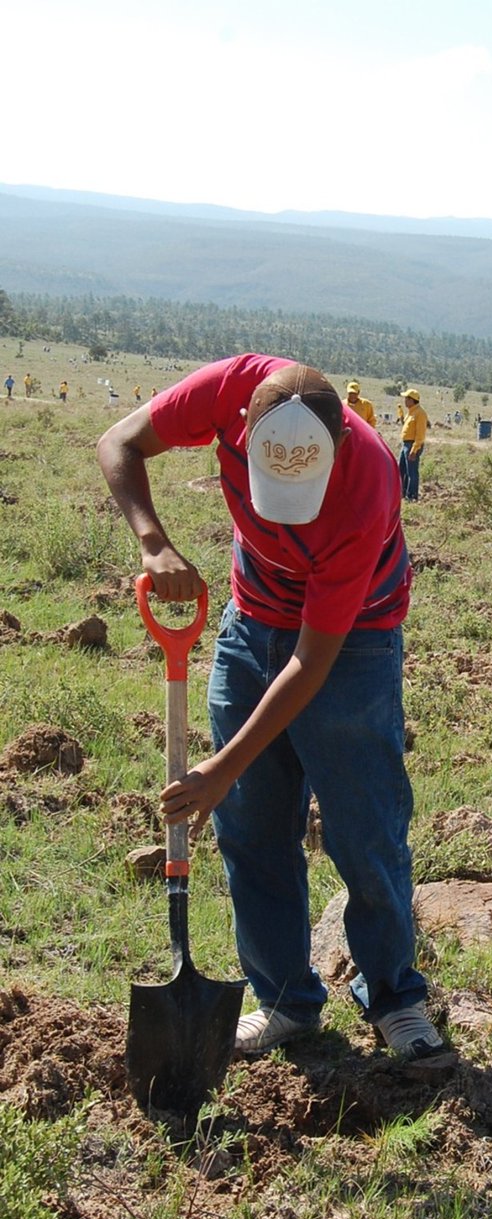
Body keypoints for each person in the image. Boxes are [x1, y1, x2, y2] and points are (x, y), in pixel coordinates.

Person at [96, 355, 449, 1064]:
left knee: (365, 830)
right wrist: (154, 543)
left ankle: (395, 998)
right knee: (251, 827)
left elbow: (311, 664)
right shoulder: (229, 391)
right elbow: (118, 442)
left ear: (341, 445)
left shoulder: (369, 479)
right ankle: (287, 999)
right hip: (252, 622)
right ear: (241, 432)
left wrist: (220, 767)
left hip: (352, 643)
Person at [398, 388, 427, 501]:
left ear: (412, 400)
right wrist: (400, 413)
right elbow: (405, 425)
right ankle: (402, 493)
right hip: (405, 444)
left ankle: (412, 496)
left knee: (412, 472)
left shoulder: (420, 413)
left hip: (412, 445)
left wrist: (414, 450)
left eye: (406, 398)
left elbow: (420, 435)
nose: (405, 400)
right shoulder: (411, 412)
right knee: (402, 470)